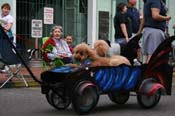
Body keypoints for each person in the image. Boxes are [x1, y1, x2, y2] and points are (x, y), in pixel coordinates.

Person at [0, 3, 14, 73]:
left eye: (8, 9)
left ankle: (7, 68)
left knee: (6, 52)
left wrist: (4, 29)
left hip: (7, 37)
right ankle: (3, 66)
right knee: (1, 52)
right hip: (1, 36)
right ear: (2, 9)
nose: (6, 10)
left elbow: (8, 28)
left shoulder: (10, 17)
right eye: (5, 8)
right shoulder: (0, 16)